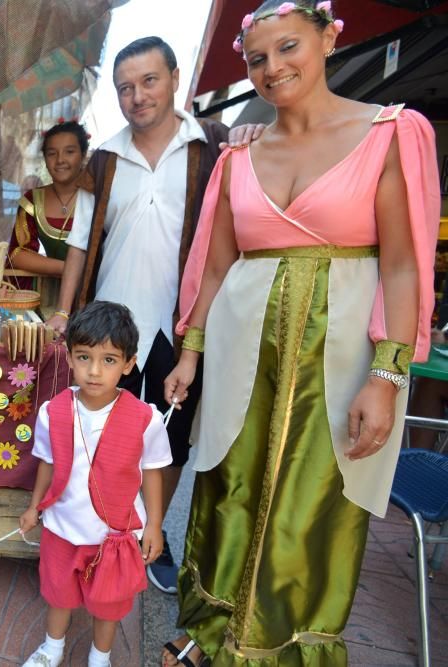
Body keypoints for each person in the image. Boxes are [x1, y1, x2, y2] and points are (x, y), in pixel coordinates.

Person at [161, 2, 439, 664]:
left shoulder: (393, 133)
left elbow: (403, 266)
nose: (273, 68)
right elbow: (216, 261)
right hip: (239, 350)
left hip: (341, 355)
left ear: (330, 37)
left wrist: (389, 374)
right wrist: (191, 351)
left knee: (313, 503)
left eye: (288, 47)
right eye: (257, 59)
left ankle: (284, 647)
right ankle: (210, 631)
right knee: (228, 483)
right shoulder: (239, 154)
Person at [44, 36, 229, 595]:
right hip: (109, 324)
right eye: (125, 87)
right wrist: (63, 312)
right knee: (101, 430)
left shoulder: (210, 151)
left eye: (149, 81)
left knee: (166, 440)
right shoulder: (104, 159)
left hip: (178, 326)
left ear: (174, 79)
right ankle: (100, 523)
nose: (137, 96)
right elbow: (80, 241)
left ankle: (151, 532)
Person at [18, 301, 170, 667]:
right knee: (58, 594)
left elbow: (152, 471)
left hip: (113, 535)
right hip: (62, 528)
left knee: (109, 604)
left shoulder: (145, 418)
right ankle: (51, 650)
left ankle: (99, 658)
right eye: (84, 357)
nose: (95, 371)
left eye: (109, 360)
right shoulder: (52, 412)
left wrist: (154, 524)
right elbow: (47, 462)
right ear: (69, 357)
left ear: (129, 363)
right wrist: (34, 505)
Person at [8, 120, 92, 283]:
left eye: (69, 151)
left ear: (83, 155)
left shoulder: (98, 198)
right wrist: (68, 269)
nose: (60, 160)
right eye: (52, 153)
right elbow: (18, 254)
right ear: (45, 159)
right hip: (45, 296)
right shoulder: (33, 199)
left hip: (93, 294)